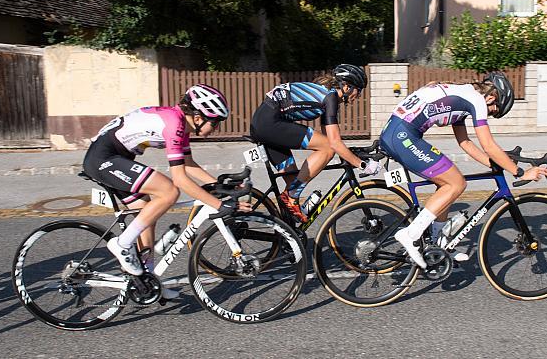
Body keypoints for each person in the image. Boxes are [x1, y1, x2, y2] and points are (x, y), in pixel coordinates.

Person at [82, 84, 250, 297]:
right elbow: (180, 179)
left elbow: (188, 165)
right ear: (198, 118)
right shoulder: (174, 124)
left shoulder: (181, 123)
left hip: (115, 159)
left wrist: (220, 186)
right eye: (215, 123)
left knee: (146, 214)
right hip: (103, 159)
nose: (215, 128)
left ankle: (148, 281)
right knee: (168, 191)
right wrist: (219, 204)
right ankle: (122, 244)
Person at [380, 71, 547, 268]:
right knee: (457, 183)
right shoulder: (476, 100)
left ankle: (438, 243)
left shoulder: (462, 97)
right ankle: (410, 235)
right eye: (495, 110)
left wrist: (494, 163)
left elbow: (465, 143)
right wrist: (519, 172)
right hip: (403, 136)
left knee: (446, 183)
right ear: (492, 97)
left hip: (398, 132)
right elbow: (488, 144)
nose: (492, 113)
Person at [250, 64, 381, 223]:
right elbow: (332, 144)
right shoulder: (330, 98)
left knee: (294, 181)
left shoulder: (326, 95)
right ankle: (291, 197)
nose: (358, 95)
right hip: (270, 124)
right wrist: (362, 165)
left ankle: (286, 234)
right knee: (324, 152)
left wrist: (351, 155)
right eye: (358, 90)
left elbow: (331, 137)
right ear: (346, 87)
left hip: (263, 124)